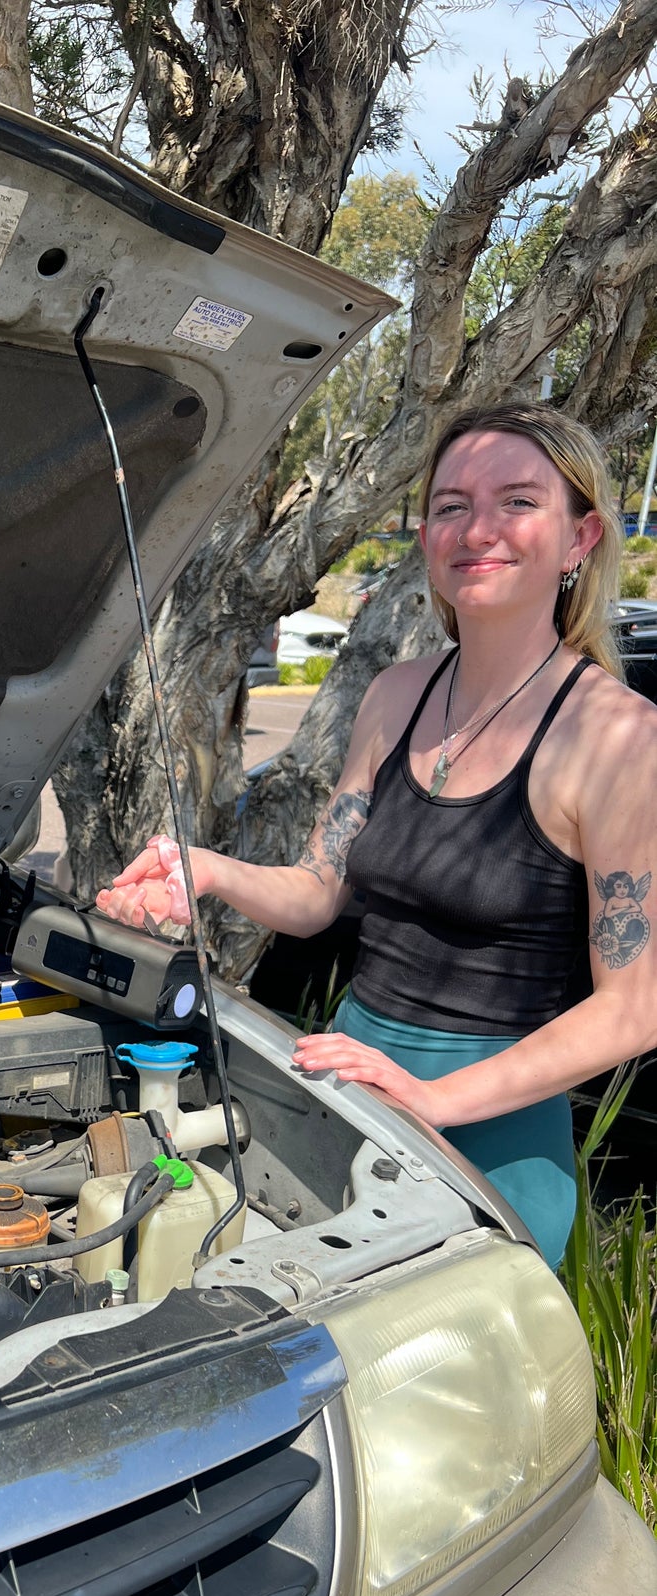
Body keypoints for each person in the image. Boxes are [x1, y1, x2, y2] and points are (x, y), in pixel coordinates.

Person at [96, 404, 657, 1267]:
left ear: (581, 537)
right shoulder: (397, 695)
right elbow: (320, 892)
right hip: (344, 1094)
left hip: (489, 1143)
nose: (478, 529)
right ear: (427, 534)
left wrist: (433, 1097)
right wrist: (204, 868)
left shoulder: (620, 736)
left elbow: (634, 1008)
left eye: (517, 502)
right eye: (449, 505)